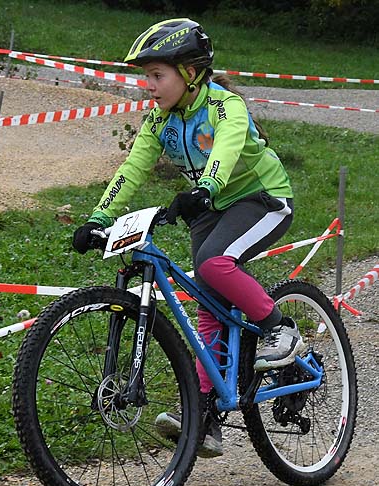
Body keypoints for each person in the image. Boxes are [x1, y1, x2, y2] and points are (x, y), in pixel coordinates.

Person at [72, 18, 304, 458]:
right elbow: (133, 168)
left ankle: (280, 329)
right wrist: (99, 216)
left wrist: (206, 188)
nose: (149, 86)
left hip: (261, 198)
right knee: (208, 303)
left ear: (190, 73)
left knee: (214, 264)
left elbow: (226, 149)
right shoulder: (159, 121)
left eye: (157, 75)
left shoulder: (224, 106)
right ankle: (207, 416)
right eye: (146, 77)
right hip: (208, 207)